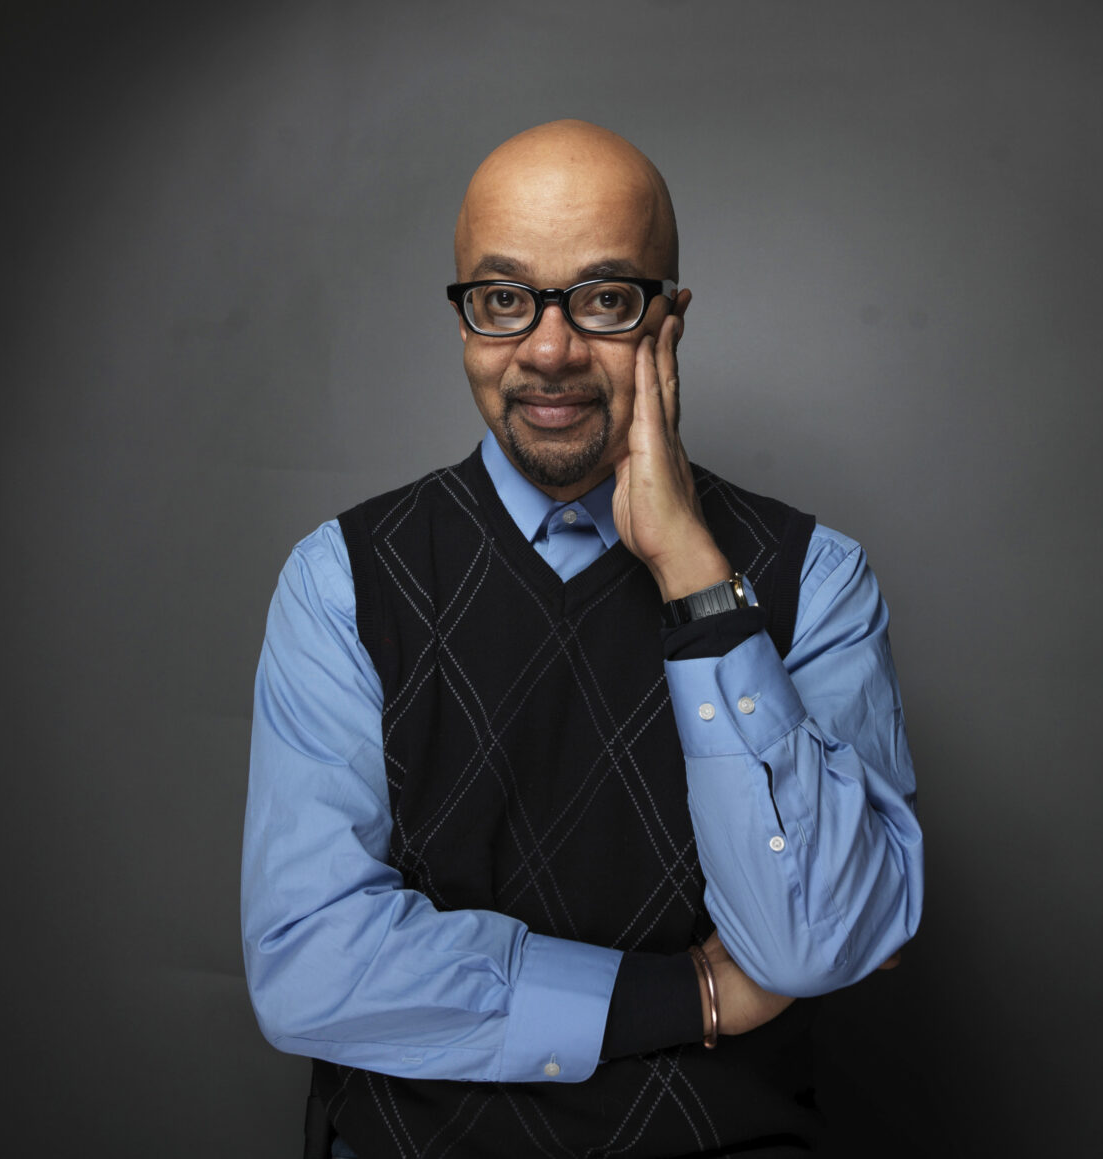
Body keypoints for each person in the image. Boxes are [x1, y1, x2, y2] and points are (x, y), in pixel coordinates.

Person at [242, 120, 924, 1159]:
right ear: (465, 318)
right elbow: (309, 965)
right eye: (503, 299)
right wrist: (689, 994)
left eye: (603, 299)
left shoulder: (813, 578)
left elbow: (818, 938)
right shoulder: (341, 581)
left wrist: (696, 580)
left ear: (670, 319)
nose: (548, 349)